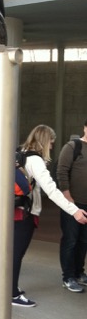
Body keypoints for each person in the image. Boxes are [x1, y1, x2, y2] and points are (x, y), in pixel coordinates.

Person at [12, 124, 87, 307]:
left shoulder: (21, 152)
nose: (52, 146)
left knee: (14, 252)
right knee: (16, 253)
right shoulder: (35, 160)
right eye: (51, 142)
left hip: (16, 210)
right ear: (45, 141)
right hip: (24, 213)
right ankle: (12, 294)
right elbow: (52, 191)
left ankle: (11, 289)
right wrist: (74, 210)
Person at [56, 120, 87, 292]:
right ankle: (68, 277)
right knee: (71, 240)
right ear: (84, 128)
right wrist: (69, 201)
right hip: (72, 204)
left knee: (84, 241)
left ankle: (78, 272)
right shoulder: (73, 147)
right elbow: (61, 172)